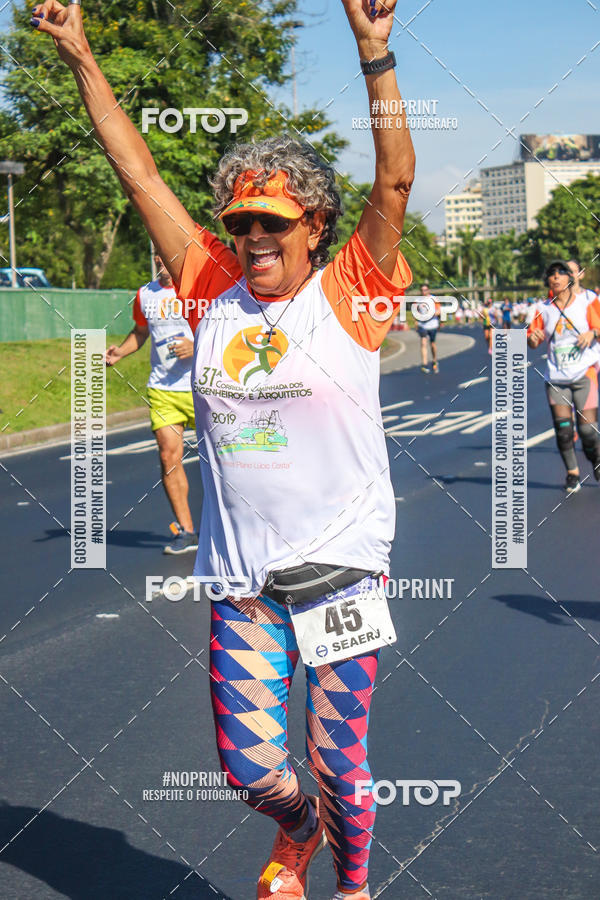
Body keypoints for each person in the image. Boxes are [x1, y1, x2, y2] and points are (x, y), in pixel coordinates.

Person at [32, 0, 415, 897]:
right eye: (242, 223)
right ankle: (298, 831)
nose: (254, 238)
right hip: (243, 581)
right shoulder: (210, 288)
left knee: (339, 762)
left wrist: (374, 54)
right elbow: (137, 173)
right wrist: (82, 54)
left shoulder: (352, 291)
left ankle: (353, 888)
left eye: (273, 222)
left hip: (342, 572)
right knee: (251, 770)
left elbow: (395, 180)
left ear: (314, 225)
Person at [105, 255, 198, 554]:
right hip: (164, 388)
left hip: (204, 385)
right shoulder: (146, 294)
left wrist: (197, 346)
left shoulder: (199, 286)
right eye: (157, 251)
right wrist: (121, 352)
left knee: (226, 459)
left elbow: (229, 328)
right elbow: (141, 331)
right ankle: (186, 530)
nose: (161, 258)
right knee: (169, 456)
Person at [527, 260, 600, 493]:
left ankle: (596, 458)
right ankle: (572, 473)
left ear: (570, 278)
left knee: (588, 431)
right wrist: (533, 338)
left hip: (584, 373)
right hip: (556, 378)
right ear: (547, 280)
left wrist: (592, 333)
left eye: (561, 273)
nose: (556, 277)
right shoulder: (542, 308)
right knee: (564, 429)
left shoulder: (587, 302)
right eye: (552, 274)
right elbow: (532, 340)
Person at [416, 282, 441, 373]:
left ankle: (434, 360)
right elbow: (416, 312)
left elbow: (439, 311)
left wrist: (430, 315)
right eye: (422, 290)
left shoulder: (434, 299)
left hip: (432, 325)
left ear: (428, 290)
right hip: (422, 325)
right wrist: (416, 322)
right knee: (423, 343)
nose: (424, 292)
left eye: (425, 290)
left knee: (432, 344)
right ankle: (424, 364)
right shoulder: (418, 300)